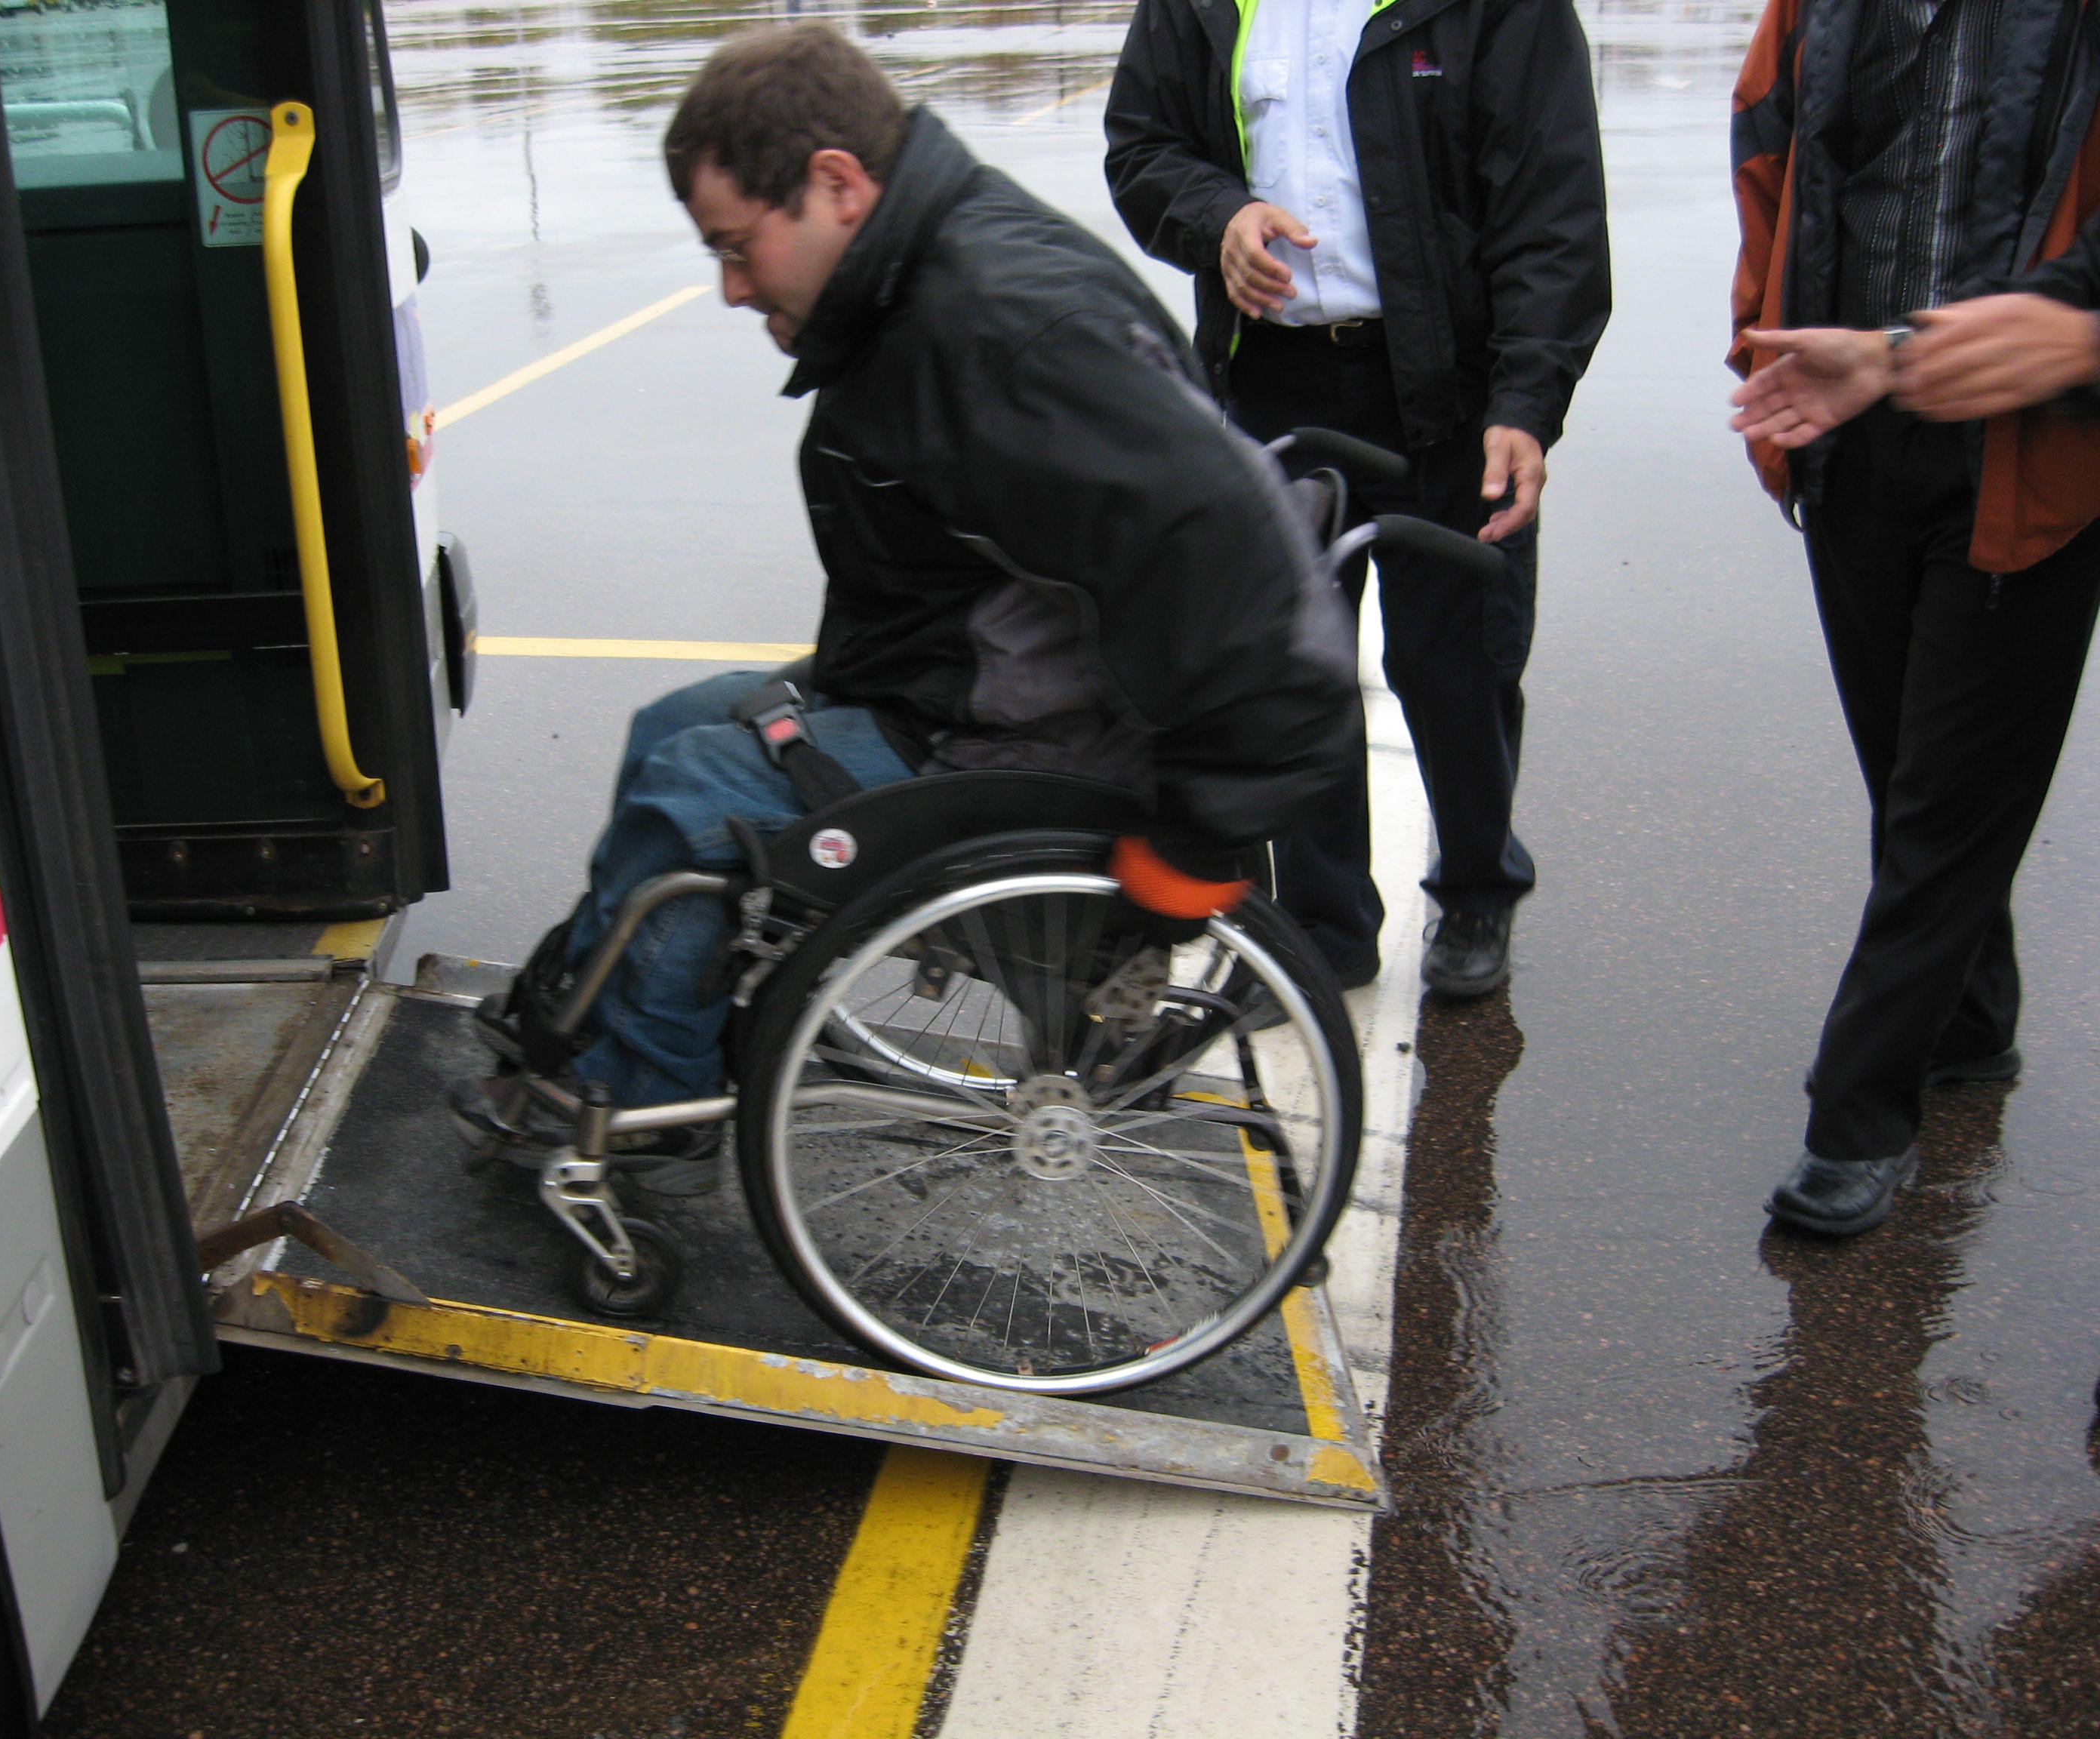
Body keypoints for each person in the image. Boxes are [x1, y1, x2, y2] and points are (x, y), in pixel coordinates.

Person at [454, 23, 1363, 1187]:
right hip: (977, 674)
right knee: (670, 728)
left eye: (738, 247)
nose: (731, 288)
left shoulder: (1000, 326)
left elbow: (1241, 577)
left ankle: (643, 1109)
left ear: (838, 183)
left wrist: (1196, 852)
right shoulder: (931, 268)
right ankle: (575, 1011)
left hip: (1041, 738)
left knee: (694, 798)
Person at [1102, 0, 1610, 997]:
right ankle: (1327, 929)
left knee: (1458, 660)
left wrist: (1527, 400)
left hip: (1448, 392)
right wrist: (1221, 219)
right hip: (1273, 386)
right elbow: (1143, 145)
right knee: (1290, 674)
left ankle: (1475, 889)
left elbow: (1551, 206)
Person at [1728, 0, 2100, 1236]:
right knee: (1910, 772)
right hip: (1851, 430)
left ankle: (1858, 1113)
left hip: (2034, 455)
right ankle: (1976, 1017)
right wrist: (1762, 347)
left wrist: (2080, 329)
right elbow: (1766, 151)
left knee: (1943, 813)